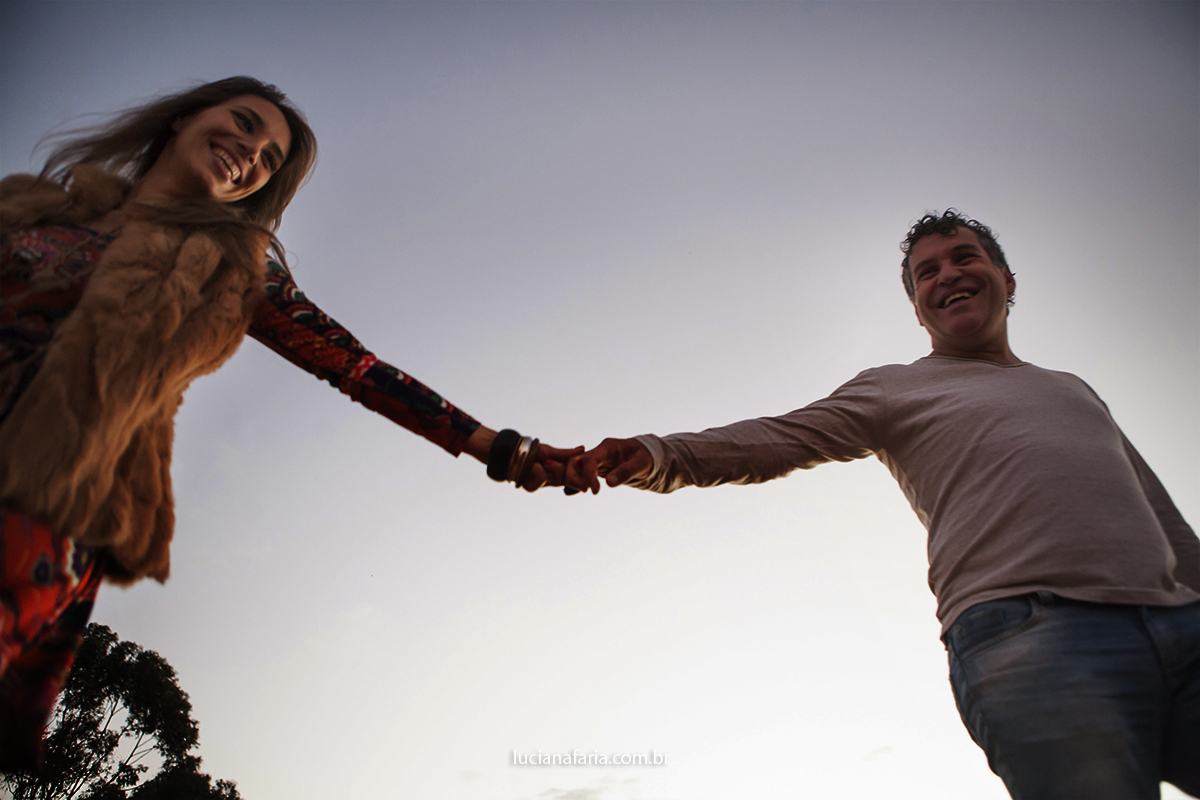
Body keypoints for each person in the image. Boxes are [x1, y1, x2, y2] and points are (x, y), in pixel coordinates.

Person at [0, 76, 577, 770]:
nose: (249, 153)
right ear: (185, 117)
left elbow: (355, 367)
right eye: (243, 125)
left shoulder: (235, 267)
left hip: (43, 500)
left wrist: (501, 448)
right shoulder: (31, 209)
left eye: (268, 159)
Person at [564, 210, 1200, 800]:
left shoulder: (1072, 388)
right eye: (928, 272)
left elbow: (1159, 512)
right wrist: (655, 454)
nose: (948, 274)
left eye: (964, 258)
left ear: (1006, 279)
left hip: (1181, 623)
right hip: (1033, 634)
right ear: (919, 311)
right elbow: (778, 440)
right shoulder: (894, 389)